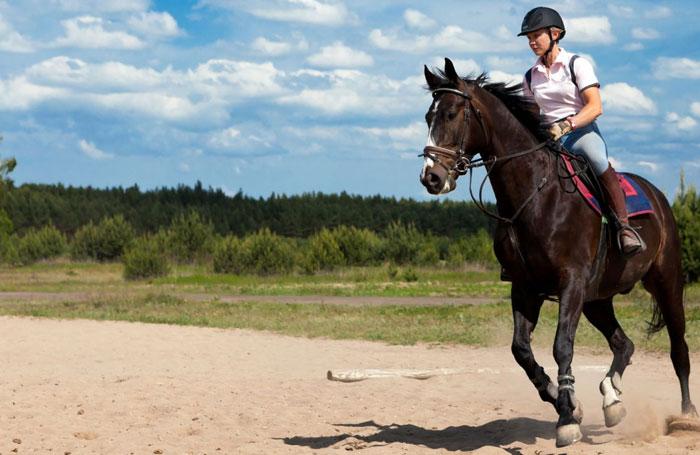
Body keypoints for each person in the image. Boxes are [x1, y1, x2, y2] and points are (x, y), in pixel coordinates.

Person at [518, 6, 644, 256]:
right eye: (529, 38)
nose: (532, 42)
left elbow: (595, 106)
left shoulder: (577, 64)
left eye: (536, 36)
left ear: (555, 34)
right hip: (548, 139)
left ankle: (624, 227)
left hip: (580, 132)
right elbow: (531, 116)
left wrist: (566, 125)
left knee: (597, 159)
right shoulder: (530, 77)